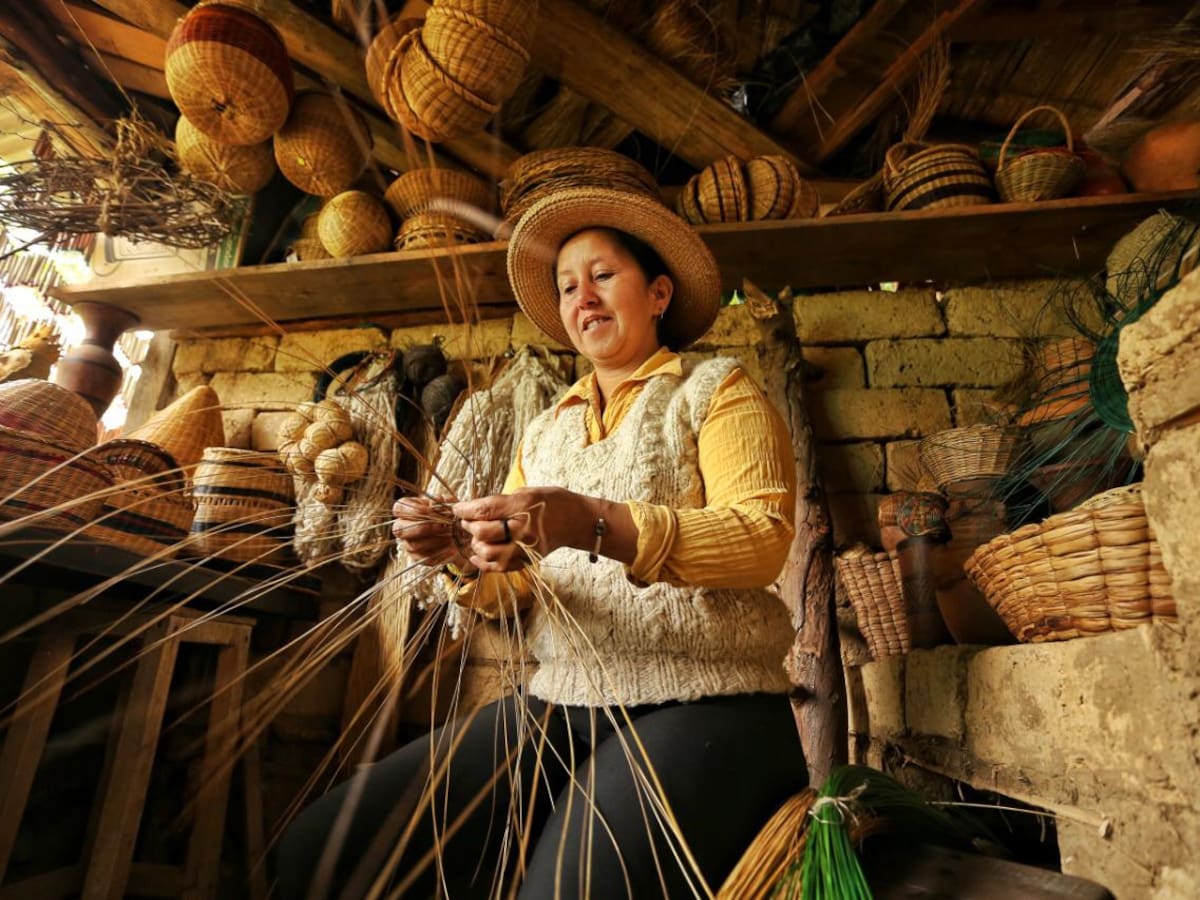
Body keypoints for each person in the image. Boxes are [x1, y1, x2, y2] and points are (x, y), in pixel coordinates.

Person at [277, 188, 807, 899]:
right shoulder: (547, 429)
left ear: (657, 293)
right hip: (562, 702)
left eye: (602, 275)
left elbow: (760, 540)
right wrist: (461, 557)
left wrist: (590, 520)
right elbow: (513, 585)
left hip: (710, 700)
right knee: (324, 848)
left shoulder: (715, 391)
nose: (581, 296)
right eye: (566, 285)